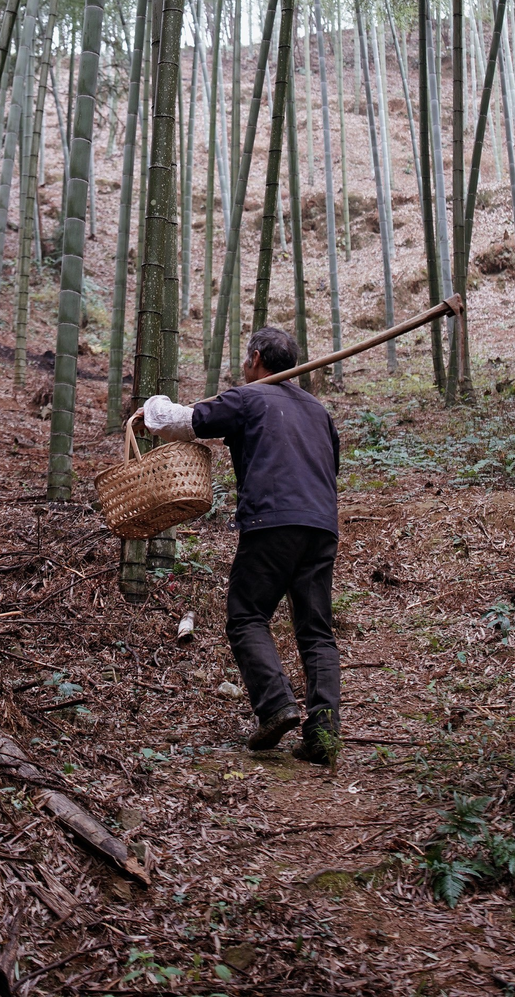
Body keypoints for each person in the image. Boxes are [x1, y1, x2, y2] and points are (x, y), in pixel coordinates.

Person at [135, 325, 341, 764]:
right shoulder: (318, 411)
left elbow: (180, 422)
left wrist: (151, 405)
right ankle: (323, 735)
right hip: (322, 526)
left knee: (247, 616)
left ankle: (275, 705)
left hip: (272, 521)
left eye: (248, 358)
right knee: (316, 630)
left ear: (255, 357)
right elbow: (332, 465)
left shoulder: (248, 398)